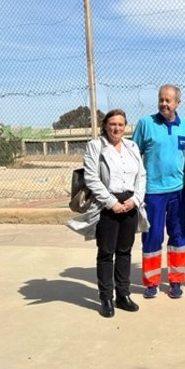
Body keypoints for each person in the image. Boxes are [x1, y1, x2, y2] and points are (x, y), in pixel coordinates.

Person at [66, 109, 149, 318]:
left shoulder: (132, 146)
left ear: (125, 126)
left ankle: (123, 295)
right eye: (112, 124)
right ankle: (106, 298)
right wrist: (112, 203)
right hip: (107, 206)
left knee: (124, 251)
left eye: (120, 124)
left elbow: (141, 175)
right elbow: (92, 178)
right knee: (106, 253)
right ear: (105, 125)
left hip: (130, 204)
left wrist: (136, 199)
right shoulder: (96, 147)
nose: (116, 128)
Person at [133, 84, 185, 299]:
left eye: (168, 100)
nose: (164, 104)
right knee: (152, 236)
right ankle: (151, 282)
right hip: (152, 192)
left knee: (178, 235)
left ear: (177, 102)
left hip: (179, 192)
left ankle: (176, 281)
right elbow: (133, 155)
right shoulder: (145, 124)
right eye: (161, 99)